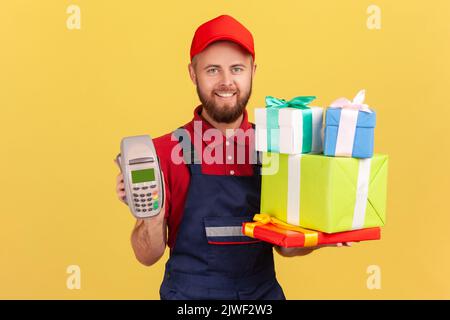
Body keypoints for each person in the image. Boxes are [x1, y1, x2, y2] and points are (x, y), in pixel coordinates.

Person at [115, 14, 351, 300]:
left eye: (237, 68)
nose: (226, 82)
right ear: (193, 73)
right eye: (212, 70)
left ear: (253, 70)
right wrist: (150, 215)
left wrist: (324, 234)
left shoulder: (275, 148)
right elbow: (147, 255)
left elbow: (286, 247)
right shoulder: (162, 152)